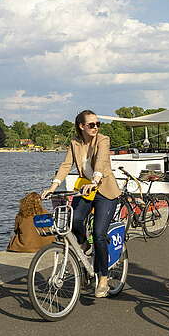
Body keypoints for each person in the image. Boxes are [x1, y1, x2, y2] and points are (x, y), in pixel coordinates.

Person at [42, 110, 121, 298]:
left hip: (104, 190)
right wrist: (52, 186)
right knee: (75, 220)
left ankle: (103, 277)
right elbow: (65, 165)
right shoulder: (75, 143)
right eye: (91, 124)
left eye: (97, 124)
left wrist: (95, 180)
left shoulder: (103, 139)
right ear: (81, 126)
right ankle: (83, 243)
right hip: (86, 189)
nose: (96, 127)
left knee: (99, 234)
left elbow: (101, 161)